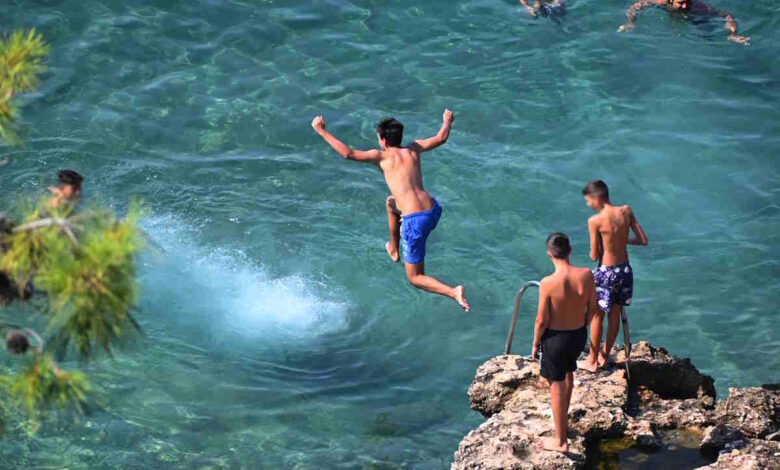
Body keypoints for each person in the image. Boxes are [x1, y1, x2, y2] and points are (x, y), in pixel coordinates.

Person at [311, 110, 469, 311]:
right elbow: (441, 137)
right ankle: (394, 249)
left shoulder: (381, 157)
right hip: (433, 210)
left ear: (383, 140)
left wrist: (322, 131)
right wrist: (447, 121)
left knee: (415, 277)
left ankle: (453, 291)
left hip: (415, 221)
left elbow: (347, 153)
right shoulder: (413, 148)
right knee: (391, 203)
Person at [532, 233, 598, 453]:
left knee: (556, 385)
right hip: (577, 335)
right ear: (570, 251)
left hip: (555, 339)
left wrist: (535, 343)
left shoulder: (548, 283)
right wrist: (583, 325)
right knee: (569, 374)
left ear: (549, 255)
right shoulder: (587, 275)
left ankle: (560, 441)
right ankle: (563, 425)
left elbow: (541, 319)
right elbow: (593, 308)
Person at [580, 180, 648, 372]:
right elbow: (643, 240)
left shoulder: (595, 221)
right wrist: (623, 241)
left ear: (596, 198)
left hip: (606, 272)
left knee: (596, 316)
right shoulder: (626, 211)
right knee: (615, 314)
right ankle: (604, 356)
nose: (589, 205)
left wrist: (602, 246)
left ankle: (592, 361)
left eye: (588, 201)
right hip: (624, 270)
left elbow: (594, 255)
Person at [618, 0, 750, 45]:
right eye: (681, 3)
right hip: (670, 18)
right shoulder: (659, 1)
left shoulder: (698, 6)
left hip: (694, 19)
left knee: (708, 38)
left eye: (687, 2)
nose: (685, 6)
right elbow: (634, 7)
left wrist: (732, 33)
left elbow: (726, 15)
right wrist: (630, 22)